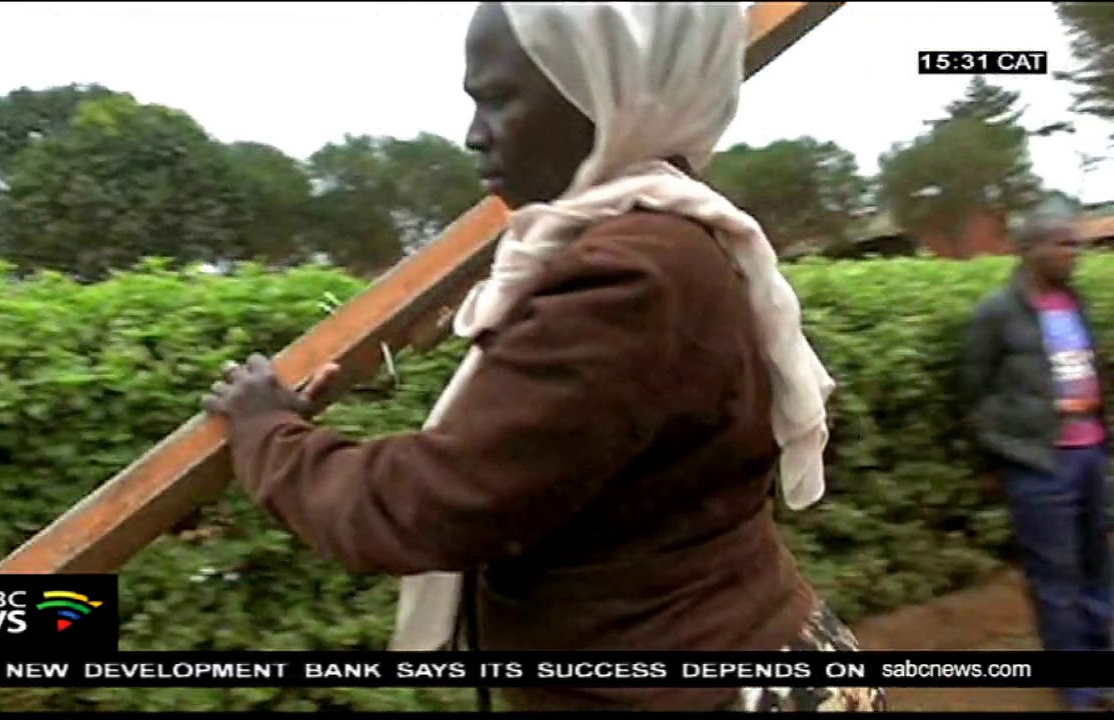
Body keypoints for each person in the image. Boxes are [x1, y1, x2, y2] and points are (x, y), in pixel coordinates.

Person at [204, 2, 885, 712]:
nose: (473, 136)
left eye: (498, 101)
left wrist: (267, 434)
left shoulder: (630, 276)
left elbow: (430, 505)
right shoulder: (672, 236)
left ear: (605, 93)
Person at [961, 209, 1111, 712]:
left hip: (1091, 455)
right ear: (1031, 249)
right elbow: (974, 392)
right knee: (1056, 578)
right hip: (1041, 465)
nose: (1075, 253)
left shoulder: (1076, 302)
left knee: (1098, 565)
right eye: (1063, 244)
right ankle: (1079, 687)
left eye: (1076, 244)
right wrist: (1003, 452)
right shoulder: (998, 312)